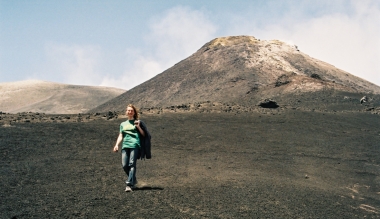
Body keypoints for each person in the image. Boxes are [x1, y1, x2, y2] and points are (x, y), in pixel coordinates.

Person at [113, 104, 145, 192]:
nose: (130, 112)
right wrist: (116, 145)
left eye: (131, 110)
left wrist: (138, 126)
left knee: (132, 164)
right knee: (124, 165)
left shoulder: (137, 122)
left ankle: (129, 184)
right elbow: (120, 135)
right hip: (125, 145)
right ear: (126, 112)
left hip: (135, 145)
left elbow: (143, 134)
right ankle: (133, 179)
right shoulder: (123, 124)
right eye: (128, 110)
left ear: (134, 112)